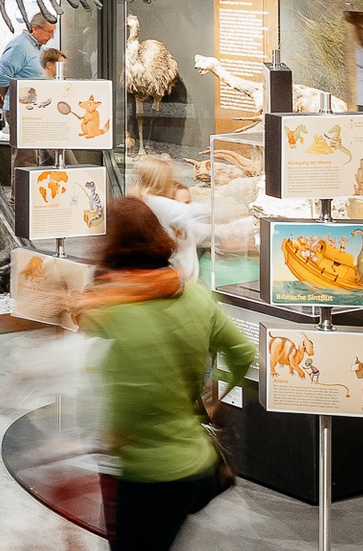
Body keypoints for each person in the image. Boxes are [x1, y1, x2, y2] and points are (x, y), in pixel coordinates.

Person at [78, 197, 254, 551]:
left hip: (143, 472)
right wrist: (214, 395)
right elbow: (244, 352)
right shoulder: (195, 295)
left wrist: (114, 436)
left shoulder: (110, 311)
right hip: (195, 464)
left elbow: (125, 399)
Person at [128, 155, 208, 282]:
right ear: (161, 181)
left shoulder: (135, 203)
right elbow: (197, 213)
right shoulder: (162, 205)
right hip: (171, 280)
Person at [0, 14, 55, 167]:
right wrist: (9, 96)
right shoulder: (19, 47)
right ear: (35, 29)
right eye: (49, 32)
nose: (52, 36)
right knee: (25, 158)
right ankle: (21, 191)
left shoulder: (38, 48)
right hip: (22, 111)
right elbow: (1, 78)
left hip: (38, 109)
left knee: (49, 155)